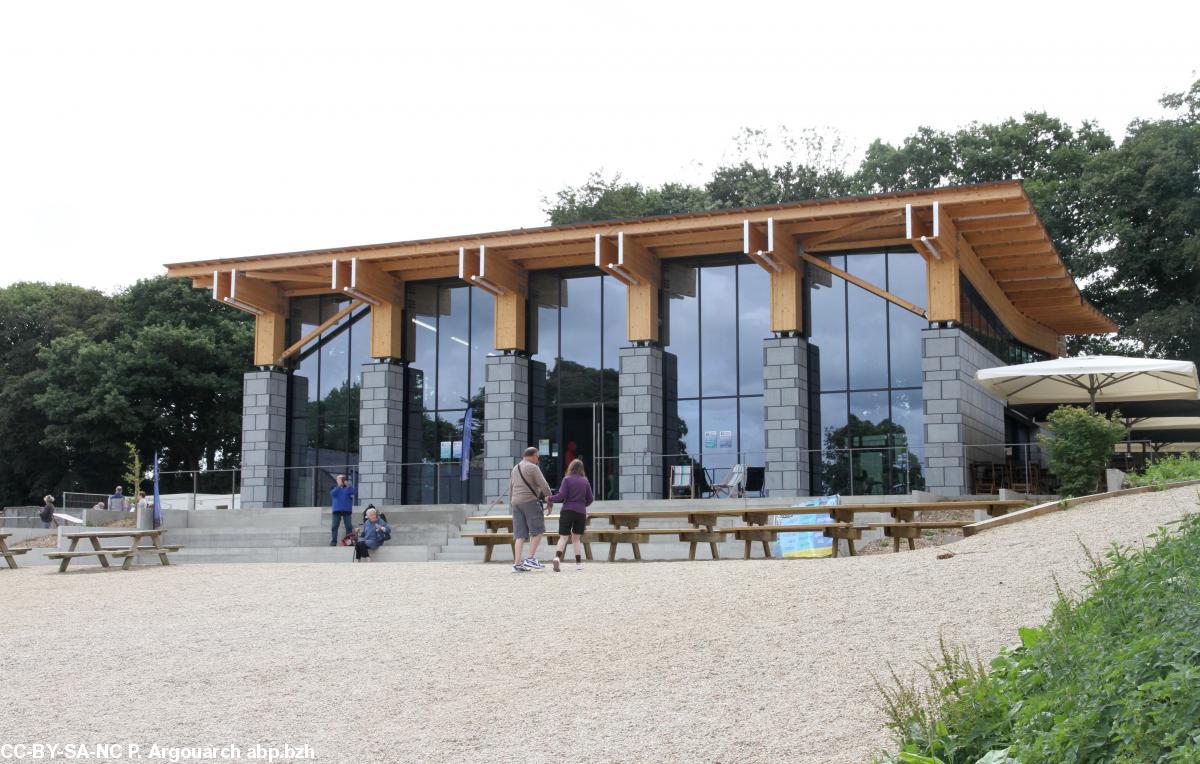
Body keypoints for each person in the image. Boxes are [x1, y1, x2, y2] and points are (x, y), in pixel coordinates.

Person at [509, 446, 552, 572]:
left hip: (516, 502)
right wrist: (550, 502)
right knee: (538, 530)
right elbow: (544, 485)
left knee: (520, 535)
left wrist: (511, 503)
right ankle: (530, 558)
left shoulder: (515, 468)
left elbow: (511, 487)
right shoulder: (533, 467)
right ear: (533, 456)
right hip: (529, 501)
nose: (538, 459)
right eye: (538, 457)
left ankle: (517, 564)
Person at [548, 459, 593, 571]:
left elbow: (561, 495)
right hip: (580, 512)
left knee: (563, 537)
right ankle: (578, 564)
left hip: (567, 510)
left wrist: (549, 498)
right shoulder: (585, 481)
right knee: (576, 539)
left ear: (571, 467)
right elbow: (590, 498)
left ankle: (557, 558)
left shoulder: (566, 479)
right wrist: (582, 505)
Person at [329, 474, 357, 546]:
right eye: (338, 479)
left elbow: (354, 492)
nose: (340, 480)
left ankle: (349, 542)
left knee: (348, 526)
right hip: (337, 510)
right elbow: (333, 494)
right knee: (334, 526)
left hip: (346, 510)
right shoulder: (334, 487)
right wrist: (339, 486)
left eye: (341, 479)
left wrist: (348, 485)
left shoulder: (348, 488)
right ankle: (333, 541)